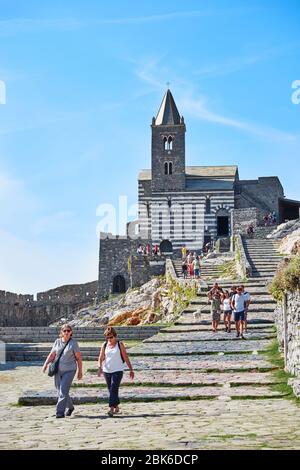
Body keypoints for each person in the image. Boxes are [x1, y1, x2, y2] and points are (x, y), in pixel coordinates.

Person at [42, 324, 83, 418]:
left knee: (63, 390)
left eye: (68, 331)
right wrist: (45, 364)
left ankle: (60, 412)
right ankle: (71, 407)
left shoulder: (74, 343)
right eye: (64, 331)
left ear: (71, 332)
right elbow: (52, 354)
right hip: (57, 370)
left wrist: (80, 371)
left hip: (70, 370)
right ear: (61, 332)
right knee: (60, 390)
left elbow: (79, 358)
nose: (66, 332)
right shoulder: (57, 342)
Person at [98, 326, 134, 417]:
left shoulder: (120, 344)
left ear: (115, 336)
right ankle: (116, 406)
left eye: (111, 337)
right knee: (111, 389)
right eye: (107, 337)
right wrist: (100, 367)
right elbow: (101, 357)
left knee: (114, 387)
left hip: (117, 370)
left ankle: (111, 409)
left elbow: (125, 357)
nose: (109, 339)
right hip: (107, 370)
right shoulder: (104, 345)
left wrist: (131, 369)